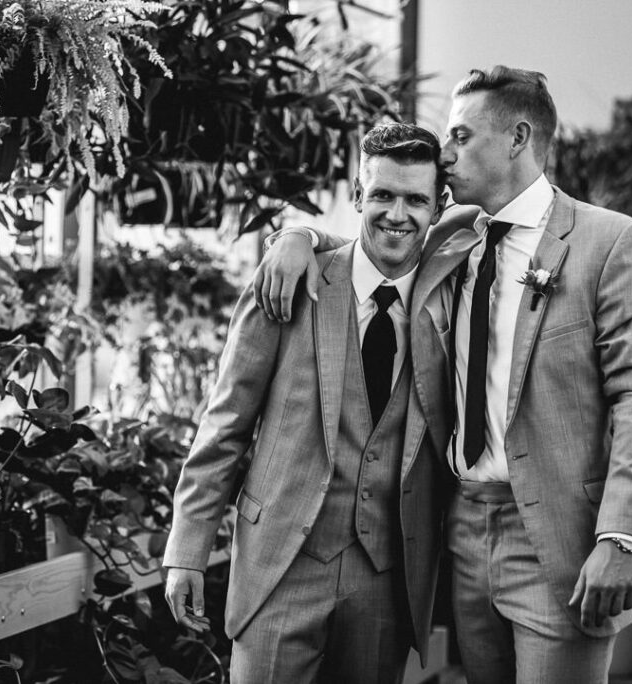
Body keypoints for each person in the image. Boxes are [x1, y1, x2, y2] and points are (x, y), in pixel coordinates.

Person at [254, 66, 632, 683]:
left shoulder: (615, 243)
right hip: (463, 530)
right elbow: (372, 239)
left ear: (517, 137)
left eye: (460, 137)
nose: (444, 156)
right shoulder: (454, 235)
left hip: (559, 538)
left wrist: (623, 538)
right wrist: (295, 235)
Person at [163, 122, 452, 684]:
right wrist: (187, 547)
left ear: (438, 206)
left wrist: (300, 230)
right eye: (383, 195)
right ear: (357, 196)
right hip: (280, 565)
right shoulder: (289, 282)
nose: (398, 213)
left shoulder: (449, 296)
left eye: (416, 199)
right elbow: (226, 423)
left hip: (385, 577)